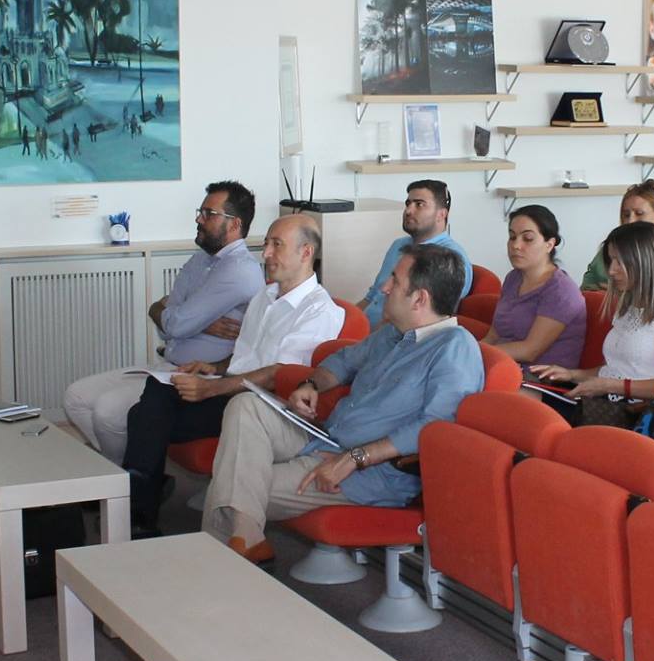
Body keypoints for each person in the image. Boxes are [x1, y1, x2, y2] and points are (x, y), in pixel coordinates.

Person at [203, 244, 484, 562]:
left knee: (234, 489)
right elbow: (344, 361)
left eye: (394, 280)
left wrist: (355, 458)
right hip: (326, 436)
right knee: (246, 406)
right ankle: (245, 546)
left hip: (368, 473)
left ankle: (222, 560)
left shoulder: (455, 347)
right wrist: (311, 384)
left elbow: (436, 427)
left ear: (419, 299)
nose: (384, 287)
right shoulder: (393, 333)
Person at [119, 215, 345, 535]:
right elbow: (246, 354)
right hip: (232, 389)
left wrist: (212, 388)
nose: (265, 254)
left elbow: (279, 376)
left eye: (276, 245)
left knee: (147, 416)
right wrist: (215, 368)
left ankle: (137, 514)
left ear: (306, 252)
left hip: (263, 409)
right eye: (266, 244)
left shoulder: (319, 311)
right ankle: (138, 511)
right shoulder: (265, 296)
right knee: (154, 395)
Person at [61, 181, 263, 461]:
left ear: (234, 224)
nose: (199, 219)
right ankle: (122, 472)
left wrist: (175, 316)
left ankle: (127, 479)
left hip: (201, 376)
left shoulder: (240, 271)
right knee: (76, 397)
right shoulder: (200, 259)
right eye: (200, 212)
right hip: (168, 366)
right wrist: (189, 319)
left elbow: (175, 322)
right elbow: (168, 321)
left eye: (208, 213)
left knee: (107, 410)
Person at [530, 221, 654, 426]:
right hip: (607, 400)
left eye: (619, 262)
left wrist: (609, 386)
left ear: (643, 261)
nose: (612, 271)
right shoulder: (629, 302)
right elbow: (615, 369)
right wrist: (571, 374)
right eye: (611, 261)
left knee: (530, 404)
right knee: (526, 391)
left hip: (634, 412)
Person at [486, 205, 587, 369]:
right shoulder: (513, 278)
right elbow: (493, 336)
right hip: (503, 365)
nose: (516, 245)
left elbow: (530, 351)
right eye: (512, 237)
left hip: (541, 377)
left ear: (549, 245)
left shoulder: (561, 291)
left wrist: (476, 352)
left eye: (528, 239)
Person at [361, 179, 472, 325]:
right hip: (364, 327)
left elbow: (427, 322)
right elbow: (371, 298)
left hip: (392, 335)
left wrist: (365, 336)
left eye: (419, 204)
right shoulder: (399, 245)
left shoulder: (449, 258)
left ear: (441, 214)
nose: (408, 211)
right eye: (408, 204)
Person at [577, 179, 654, 295]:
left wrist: (616, 293)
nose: (630, 221)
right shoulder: (610, 250)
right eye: (626, 215)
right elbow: (586, 289)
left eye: (639, 213)